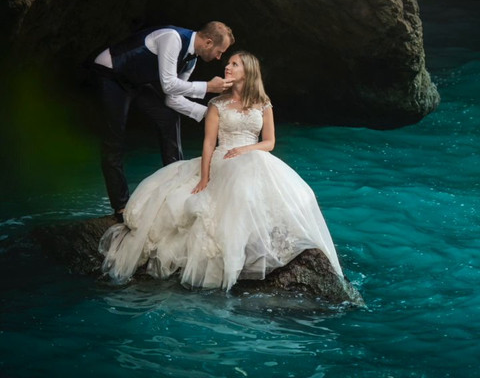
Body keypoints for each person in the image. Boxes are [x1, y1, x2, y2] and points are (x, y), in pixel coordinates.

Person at [99, 51, 343, 291]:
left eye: (234, 64)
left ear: (248, 72)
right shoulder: (217, 104)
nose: (227, 67)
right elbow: (208, 143)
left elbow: (269, 142)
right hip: (223, 157)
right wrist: (205, 177)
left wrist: (248, 149)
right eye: (228, 63)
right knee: (241, 179)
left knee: (291, 185)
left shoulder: (263, 102)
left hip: (253, 154)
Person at [92, 22, 235, 221]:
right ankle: (121, 206)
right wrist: (208, 87)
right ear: (209, 42)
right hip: (112, 73)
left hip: (136, 82)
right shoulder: (172, 38)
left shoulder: (191, 61)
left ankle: (176, 185)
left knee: (168, 116)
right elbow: (168, 85)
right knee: (114, 141)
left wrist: (209, 114)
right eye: (220, 52)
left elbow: (172, 98)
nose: (219, 57)